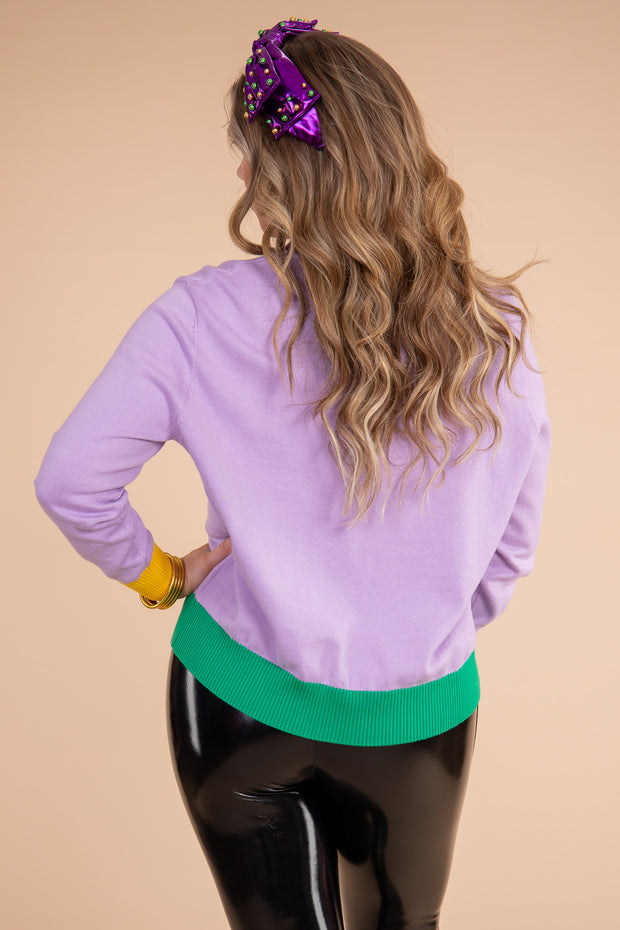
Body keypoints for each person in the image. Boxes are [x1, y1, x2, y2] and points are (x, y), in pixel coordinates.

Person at [34, 17, 552, 930]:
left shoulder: (200, 314)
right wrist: (416, 628)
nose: (239, 176)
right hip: (419, 719)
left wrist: (160, 578)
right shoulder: (495, 325)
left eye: (247, 156)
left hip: (233, 708)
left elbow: (71, 481)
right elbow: (511, 548)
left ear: (279, 176)